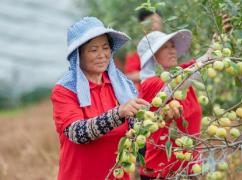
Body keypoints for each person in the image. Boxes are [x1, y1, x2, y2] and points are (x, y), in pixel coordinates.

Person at [51, 17, 150, 180]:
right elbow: (77, 133)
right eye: (93, 50)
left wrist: (155, 119)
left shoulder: (121, 86)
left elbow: (136, 131)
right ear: (79, 55)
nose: (102, 55)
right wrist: (118, 113)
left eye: (105, 48)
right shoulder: (64, 91)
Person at [137, 30, 203, 179]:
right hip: (160, 172)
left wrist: (222, 38)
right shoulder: (151, 84)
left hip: (189, 169)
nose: (172, 50)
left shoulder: (183, 79)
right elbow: (192, 72)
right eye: (164, 47)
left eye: (172, 46)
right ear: (153, 57)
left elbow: (205, 62)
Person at [124, 9, 163, 91]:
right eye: (151, 22)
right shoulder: (136, 47)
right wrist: (155, 75)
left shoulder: (168, 44)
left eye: (158, 22)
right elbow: (129, 75)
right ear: (142, 25)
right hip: (146, 94)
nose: (155, 26)